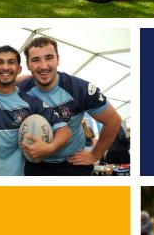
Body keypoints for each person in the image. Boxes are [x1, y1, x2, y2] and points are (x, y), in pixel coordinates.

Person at [18, 36, 124, 176]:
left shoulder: (80, 89)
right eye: (36, 60)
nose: (43, 66)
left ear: (58, 59)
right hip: (34, 164)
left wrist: (94, 155)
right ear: (28, 64)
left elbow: (113, 121)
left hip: (72, 165)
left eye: (49, 57)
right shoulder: (19, 90)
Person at [0, 46, 67, 176]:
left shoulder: (32, 104)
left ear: (19, 69)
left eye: (11, 62)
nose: (5, 67)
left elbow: (64, 130)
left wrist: (49, 148)